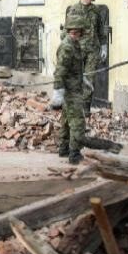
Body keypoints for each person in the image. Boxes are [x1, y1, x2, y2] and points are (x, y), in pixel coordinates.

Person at [64, 0, 106, 116]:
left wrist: (104, 46)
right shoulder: (73, 10)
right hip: (77, 50)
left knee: (89, 79)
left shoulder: (96, 10)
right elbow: (67, 31)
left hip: (92, 50)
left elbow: (101, 30)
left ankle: (85, 109)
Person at [52, 11, 86, 164]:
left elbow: (73, 68)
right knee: (77, 122)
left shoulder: (73, 44)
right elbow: (60, 71)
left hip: (73, 87)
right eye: (81, 31)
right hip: (70, 91)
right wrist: (58, 92)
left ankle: (64, 149)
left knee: (66, 121)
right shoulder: (67, 47)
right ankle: (74, 154)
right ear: (76, 30)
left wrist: (82, 78)